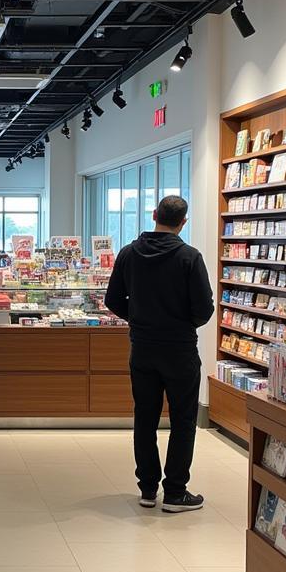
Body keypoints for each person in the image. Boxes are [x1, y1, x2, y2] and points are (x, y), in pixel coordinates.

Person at [105, 195, 214, 513]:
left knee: (145, 417)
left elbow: (113, 299)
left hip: (142, 348)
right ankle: (176, 492)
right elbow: (203, 309)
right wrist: (182, 324)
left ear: (154, 215)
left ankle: (148, 489)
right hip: (180, 349)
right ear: (184, 222)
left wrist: (138, 319)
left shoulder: (129, 253)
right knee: (183, 420)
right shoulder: (189, 257)